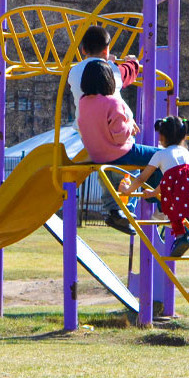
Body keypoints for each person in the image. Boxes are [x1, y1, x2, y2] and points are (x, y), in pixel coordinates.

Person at [118, 116, 189, 294]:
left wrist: (128, 190)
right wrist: (154, 192)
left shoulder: (160, 154)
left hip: (179, 198)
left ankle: (180, 235)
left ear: (163, 137)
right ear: (182, 136)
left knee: (170, 202)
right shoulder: (186, 154)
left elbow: (143, 178)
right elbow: (175, 178)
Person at [67, 25, 139, 233]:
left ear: (83, 49)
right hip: (112, 126)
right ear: (106, 50)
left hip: (86, 129)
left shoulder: (73, 72)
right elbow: (127, 73)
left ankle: (115, 208)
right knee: (129, 164)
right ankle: (123, 208)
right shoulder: (113, 71)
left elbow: (99, 71)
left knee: (106, 163)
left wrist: (109, 63)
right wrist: (132, 62)